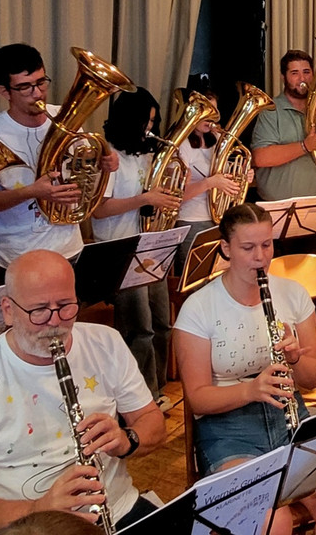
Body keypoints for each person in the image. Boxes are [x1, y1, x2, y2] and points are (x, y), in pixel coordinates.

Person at [0, 250, 166, 533]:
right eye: (39, 310)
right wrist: (38, 509)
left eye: (66, 305)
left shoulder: (106, 342)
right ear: (8, 310)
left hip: (119, 510)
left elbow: (153, 422)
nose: (55, 322)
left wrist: (127, 439)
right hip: (28, 527)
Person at [173, 203, 316, 534]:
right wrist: (252, 390)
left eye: (266, 245)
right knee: (270, 521)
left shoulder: (293, 295)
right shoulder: (199, 308)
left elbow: (310, 381)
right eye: (248, 247)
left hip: (289, 420)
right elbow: (197, 400)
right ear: (225, 249)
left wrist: (295, 358)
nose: (260, 257)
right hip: (228, 430)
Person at [0, 44, 118, 275]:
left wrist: (106, 164)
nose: (38, 93)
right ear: (4, 92)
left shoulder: (65, 116)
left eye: (41, 82)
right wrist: (32, 192)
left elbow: (86, 169)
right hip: (19, 257)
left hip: (70, 250)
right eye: (24, 87)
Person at [90, 87, 181, 408]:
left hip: (149, 248)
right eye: (147, 122)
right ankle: (140, 397)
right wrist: (146, 198)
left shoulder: (147, 153)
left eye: (154, 122)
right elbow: (99, 209)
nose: (151, 129)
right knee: (139, 328)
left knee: (161, 324)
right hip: (119, 250)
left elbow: (157, 197)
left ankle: (157, 389)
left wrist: (163, 194)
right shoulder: (109, 156)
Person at [173, 90, 249, 272]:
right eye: (206, 111)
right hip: (191, 221)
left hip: (219, 221)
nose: (212, 117)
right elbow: (175, 196)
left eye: (214, 111)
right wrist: (210, 183)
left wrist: (242, 175)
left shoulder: (216, 139)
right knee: (195, 280)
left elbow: (226, 177)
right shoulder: (181, 145)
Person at [251, 48, 316, 201]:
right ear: (283, 77)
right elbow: (261, 157)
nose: (302, 78)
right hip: (280, 205)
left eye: (307, 72)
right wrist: (305, 146)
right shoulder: (270, 110)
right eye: (294, 73)